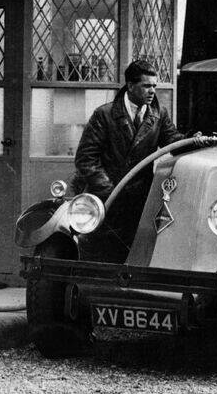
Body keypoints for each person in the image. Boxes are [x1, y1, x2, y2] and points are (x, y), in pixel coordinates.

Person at [72, 59, 186, 261]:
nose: (152, 91)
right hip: (107, 199)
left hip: (140, 201)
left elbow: (174, 142)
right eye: (146, 86)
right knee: (103, 256)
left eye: (154, 86)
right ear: (131, 86)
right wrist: (108, 190)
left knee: (135, 256)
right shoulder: (104, 114)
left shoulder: (159, 114)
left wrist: (198, 141)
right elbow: (85, 159)